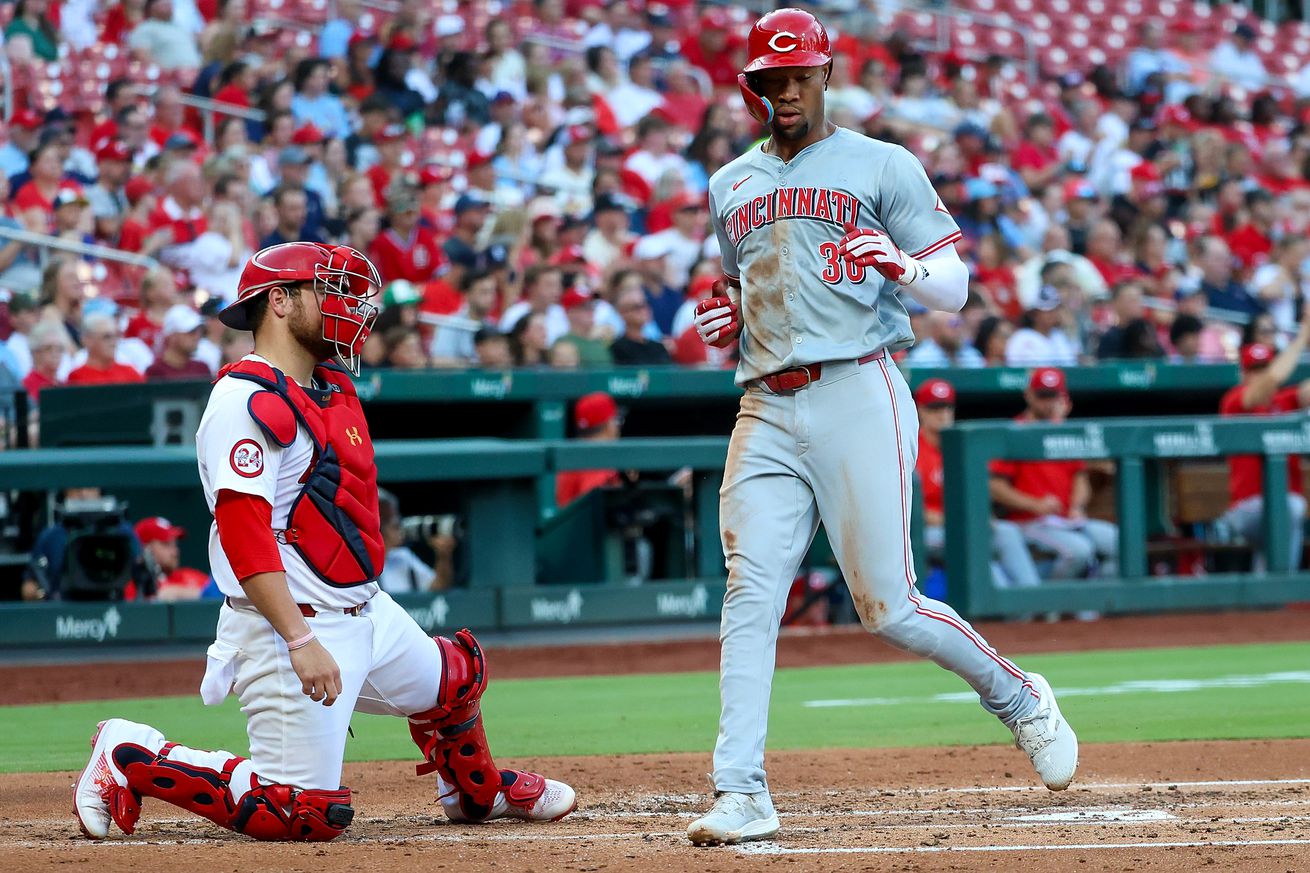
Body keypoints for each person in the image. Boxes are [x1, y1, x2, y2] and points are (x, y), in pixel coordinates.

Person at [684, 10, 1076, 848]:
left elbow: (955, 284)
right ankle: (741, 788)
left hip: (860, 386)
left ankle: (1017, 696)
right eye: (769, 79)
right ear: (753, 86)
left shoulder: (882, 162)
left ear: (825, 74)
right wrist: (729, 316)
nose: (783, 90)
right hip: (765, 400)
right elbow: (741, 288)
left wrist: (906, 267)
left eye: (797, 76)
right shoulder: (730, 185)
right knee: (750, 595)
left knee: (888, 605)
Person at [73, 242, 576, 843]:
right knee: (299, 813)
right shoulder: (242, 401)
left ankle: (476, 791)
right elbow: (243, 532)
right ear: (279, 302)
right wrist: (300, 639)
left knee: (454, 679)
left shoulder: (331, 383)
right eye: (330, 291)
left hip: (366, 608)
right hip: (292, 624)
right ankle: (131, 754)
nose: (351, 306)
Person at [989, 368, 1120, 580]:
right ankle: (1049, 606)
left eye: (1053, 396)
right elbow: (995, 487)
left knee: (1120, 542)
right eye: (1042, 396)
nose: (1048, 403)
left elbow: (1080, 477)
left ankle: (1087, 603)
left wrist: (1077, 506)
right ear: (1028, 395)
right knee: (1079, 551)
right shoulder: (1015, 431)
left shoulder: (1063, 430)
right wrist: (1034, 504)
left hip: (1066, 520)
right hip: (1029, 521)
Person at [915, 379, 1041, 591]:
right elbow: (909, 510)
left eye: (947, 407)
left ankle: (1032, 597)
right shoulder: (912, 449)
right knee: (967, 539)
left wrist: (982, 516)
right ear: (920, 410)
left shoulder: (960, 446)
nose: (942, 414)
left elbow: (974, 495)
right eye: (934, 408)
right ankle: (998, 605)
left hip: (959, 526)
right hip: (926, 531)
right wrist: (957, 523)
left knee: (1006, 531)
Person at [1217, 322, 1310, 571]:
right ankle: (1278, 591)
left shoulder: (1285, 400)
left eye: (1263, 368)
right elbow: (1268, 383)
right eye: (1253, 369)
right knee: (1291, 507)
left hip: (1281, 506)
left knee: (1289, 509)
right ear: (1243, 372)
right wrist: (1302, 338)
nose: (1259, 375)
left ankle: (1267, 600)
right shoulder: (1235, 400)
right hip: (1247, 510)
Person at [376, 490, 456, 594]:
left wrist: (444, 556)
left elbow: (438, 587)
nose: (398, 526)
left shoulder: (403, 557)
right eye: (389, 521)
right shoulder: (360, 561)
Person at [556, 392, 622, 506]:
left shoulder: (572, 455)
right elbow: (595, 508)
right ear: (609, 425)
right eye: (616, 419)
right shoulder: (596, 460)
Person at [134, 516, 210, 601]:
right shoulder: (135, 587)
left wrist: (178, 593)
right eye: (166, 544)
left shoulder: (192, 577)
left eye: (175, 544)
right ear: (146, 548)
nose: (175, 552)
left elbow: (221, 595)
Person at [66, 313, 146, 386]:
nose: (113, 343)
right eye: (107, 337)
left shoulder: (130, 373)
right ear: (87, 340)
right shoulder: (77, 377)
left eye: (115, 337)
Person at [145, 305, 212, 381]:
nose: (197, 336)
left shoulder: (202, 369)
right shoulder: (155, 372)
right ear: (172, 336)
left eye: (198, 331)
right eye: (191, 332)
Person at [610, 285, 671, 365]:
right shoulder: (617, 350)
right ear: (622, 313)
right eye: (637, 307)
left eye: (646, 304)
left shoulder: (658, 348)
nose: (644, 310)